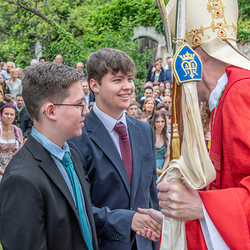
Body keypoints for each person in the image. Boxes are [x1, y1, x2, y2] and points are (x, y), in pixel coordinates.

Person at [154, 0, 250, 249]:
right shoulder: (222, 96)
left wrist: (200, 207)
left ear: (191, 58)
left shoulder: (242, 91)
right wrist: (178, 221)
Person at [68, 48, 160, 250]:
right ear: (94, 85)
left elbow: (151, 193)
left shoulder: (144, 130)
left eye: (130, 79)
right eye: (117, 80)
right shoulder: (77, 138)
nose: (127, 87)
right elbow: (78, 209)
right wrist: (128, 221)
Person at [0, 62, 99, 249]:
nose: (86, 111)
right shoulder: (22, 179)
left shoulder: (71, 156)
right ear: (51, 111)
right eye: (79, 104)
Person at [0, 104, 23, 181]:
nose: (9, 116)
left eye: (11, 114)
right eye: (6, 114)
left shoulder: (18, 131)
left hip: (13, 165)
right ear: (1, 115)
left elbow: (20, 153)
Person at [151, 111, 170, 177]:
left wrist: (163, 170)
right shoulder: (149, 135)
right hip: (151, 165)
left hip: (163, 165)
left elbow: (168, 156)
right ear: (154, 122)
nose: (160, 124)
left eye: (162, 121)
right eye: (157, 122)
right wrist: (154, 168)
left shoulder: (168, 136)